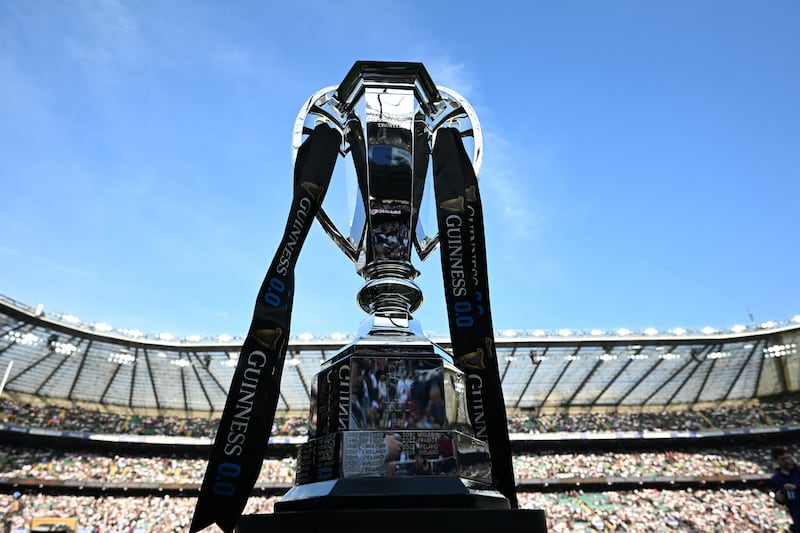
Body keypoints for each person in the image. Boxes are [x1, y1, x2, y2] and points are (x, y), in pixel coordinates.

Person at [771, 447, 800, 532]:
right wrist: (778, 499)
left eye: (787, 458)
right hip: (796, 514)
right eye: (782, 459)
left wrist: (796, 488)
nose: (786, 461)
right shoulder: (776, 479)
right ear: (777, 461)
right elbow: (779, 497)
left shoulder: (798, 471)